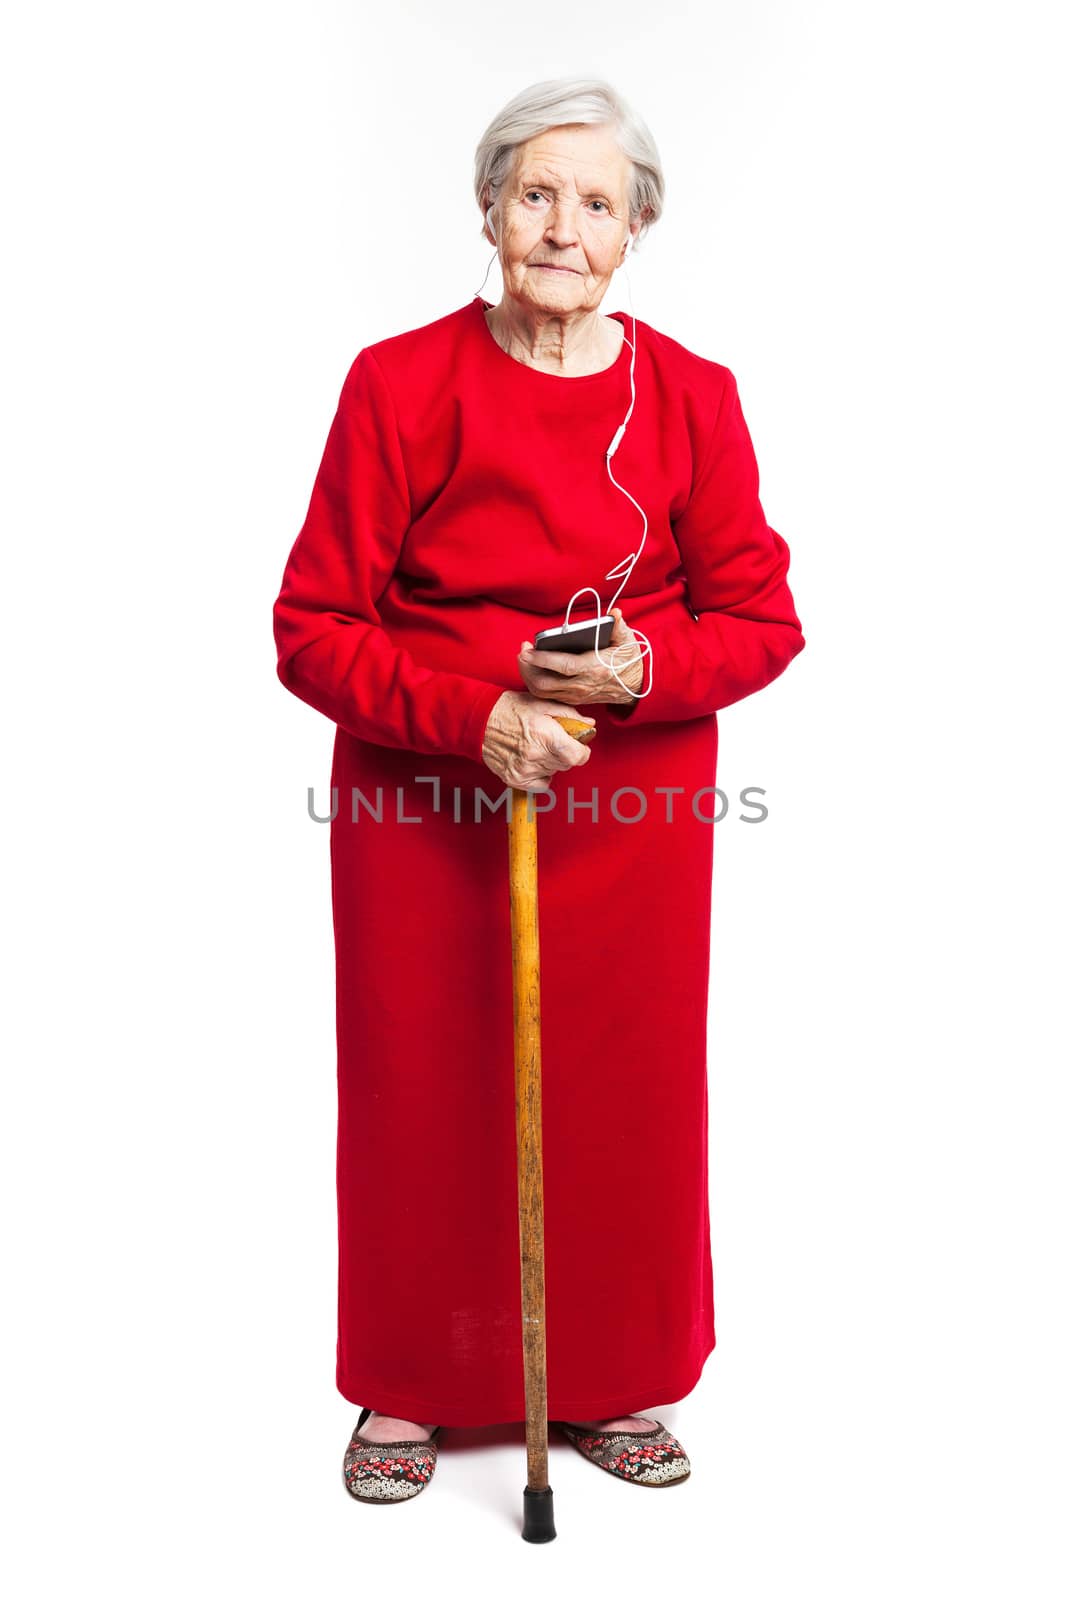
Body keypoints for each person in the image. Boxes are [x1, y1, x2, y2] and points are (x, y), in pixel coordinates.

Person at [273, 75, 806, 1504]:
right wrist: (475, 719)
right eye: (533, 193)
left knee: (624, 1095)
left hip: (631, 828)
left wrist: (637, 675)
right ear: (489, 210)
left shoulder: (691, 398)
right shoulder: (399, 383)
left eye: (594, 202)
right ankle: (411, 1377)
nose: (561, 226)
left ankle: (615, 1378)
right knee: (421, 1081)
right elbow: (314, 626)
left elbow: (763, 619)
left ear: (634, 232)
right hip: (423, 810)